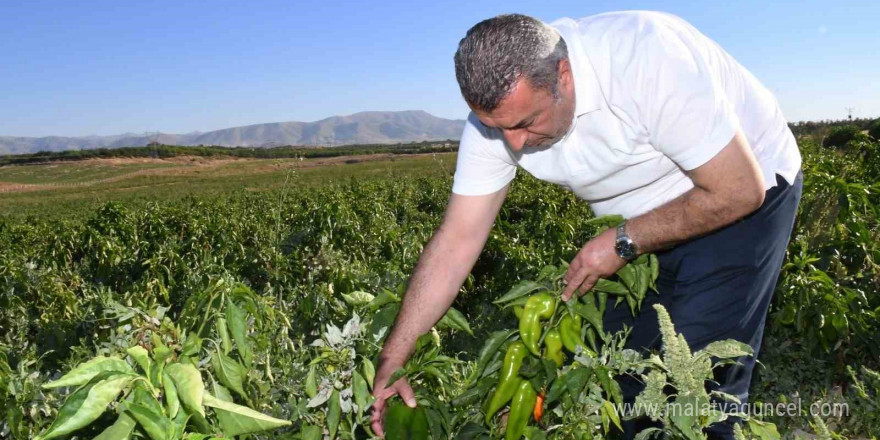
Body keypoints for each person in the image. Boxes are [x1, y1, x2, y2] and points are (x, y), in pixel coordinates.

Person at [370, 11, 802, 440]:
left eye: (525, 123)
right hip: (637, 219)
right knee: (617, 369)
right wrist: (394, 357)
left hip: (741, 194)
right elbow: (457, 241)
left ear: (564, 76)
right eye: (495, 127)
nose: (513, 143)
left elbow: (739, 191)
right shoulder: (498, 124)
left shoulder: (646, 58)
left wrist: (623, 241)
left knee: (694, 385)